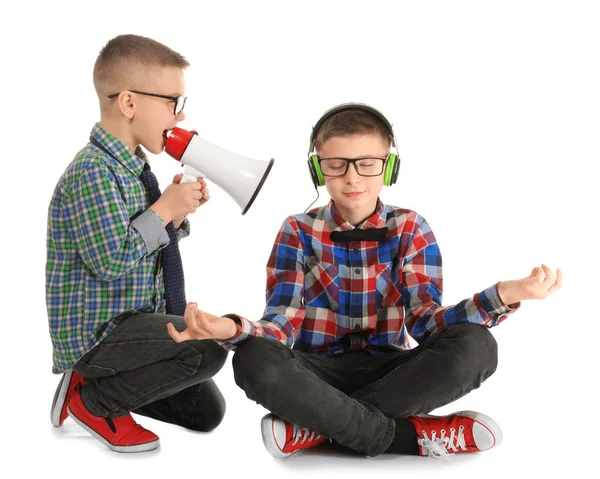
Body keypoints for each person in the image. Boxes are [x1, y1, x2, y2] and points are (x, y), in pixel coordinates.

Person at [167, 103, 562, 459]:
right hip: (315, 374)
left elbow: (426, 322)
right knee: (254, 360)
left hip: (393, 371)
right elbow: (281, 324)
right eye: (336, 164)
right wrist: (232, 328)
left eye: (367, 163)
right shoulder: (297, 230)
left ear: (389, 168)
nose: (352, 177)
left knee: (478, 345)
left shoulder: (411, 227)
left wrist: (506, 295)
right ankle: (408, 438)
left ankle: (318, 428)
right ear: (317, 169)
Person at [46, 34, 228, 453]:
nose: (180, 116)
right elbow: (111, 260)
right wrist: (163, 209)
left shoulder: (132, 170)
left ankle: (97, 381)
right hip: (101, 334)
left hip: (133, 325)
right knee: (206, 350)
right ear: (129, 103)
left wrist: (174, 215)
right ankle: (93, 402)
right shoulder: (92, 172)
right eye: (172, 102)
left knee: (205, 411)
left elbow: (142, 242)